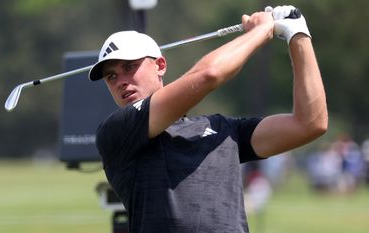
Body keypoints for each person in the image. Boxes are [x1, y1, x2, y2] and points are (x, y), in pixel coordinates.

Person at [88, 5, 328, 233]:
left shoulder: (222, 128)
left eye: (130, 67)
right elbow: (209, 75)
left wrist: (298, 34)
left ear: (160, 65)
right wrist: (261, 32)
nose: (121, 81)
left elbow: (309, 124)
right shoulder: (116, 131)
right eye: (111, 76)